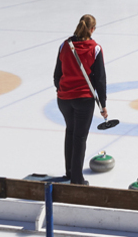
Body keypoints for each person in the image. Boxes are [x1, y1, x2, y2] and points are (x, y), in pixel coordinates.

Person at [54, 14, 108, 185]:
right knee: (79, 137)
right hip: (83, 99)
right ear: (92, 29)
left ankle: (69, 172)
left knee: (70, 131)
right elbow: (100, 79)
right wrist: (103, 104)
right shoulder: (95, 48)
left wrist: (62, 90)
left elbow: (57, 74)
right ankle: (77, 179)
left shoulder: (65, 45)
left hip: (64, 99)